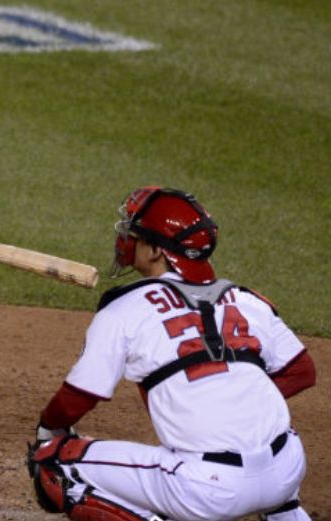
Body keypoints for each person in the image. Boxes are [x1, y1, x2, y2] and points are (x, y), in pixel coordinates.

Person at [26, 187, 316, 521]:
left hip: (208, 490)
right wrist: (232, 402)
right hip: (286, 471)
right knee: (272, 447)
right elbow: (302, 371)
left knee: (53, 464)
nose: (127, 239)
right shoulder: (246, 300)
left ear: (155, 251)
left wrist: (49, 429)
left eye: (134, 233)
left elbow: (80, 395)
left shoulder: (124, 308)